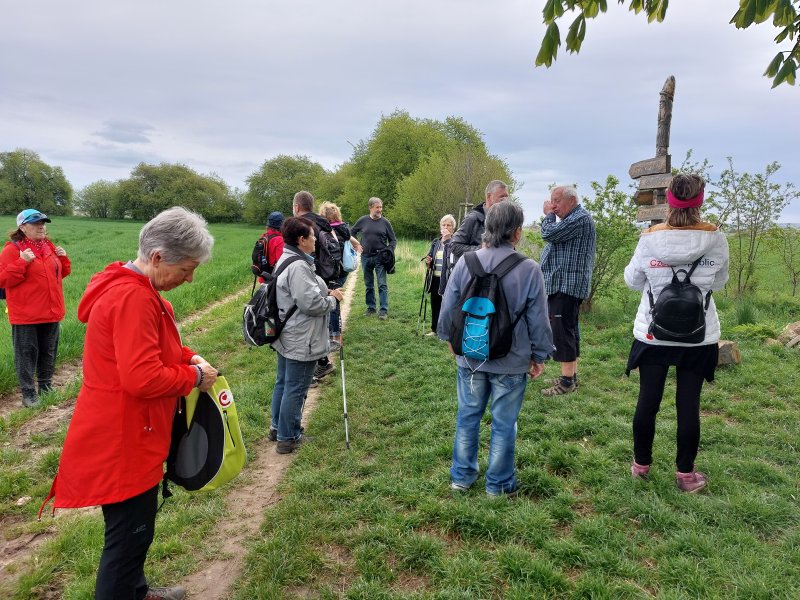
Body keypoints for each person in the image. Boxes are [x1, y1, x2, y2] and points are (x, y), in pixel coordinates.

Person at [44, 207, 217, 600]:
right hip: (124, 439)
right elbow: (142, 378)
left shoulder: (135, 289)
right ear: (157, 257)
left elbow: (157, 349)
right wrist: (193, 378)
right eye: (187, 269)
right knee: (126, 540)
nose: (189, 278)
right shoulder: (131, 298)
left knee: (136, 532)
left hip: (132, 431)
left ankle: (136, 591)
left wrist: (188, 356)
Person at [437, 202, 553, 497]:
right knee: (504, 423)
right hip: (511, 360)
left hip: (470, 354)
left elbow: (449, 306)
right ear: (516, 233)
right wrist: (539, 355)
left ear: (487, 229)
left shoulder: (466, 262)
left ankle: (461, 478)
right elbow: (538, 319)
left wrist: (451, 340)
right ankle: (498, 485)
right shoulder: (529, 269)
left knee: (467, 417)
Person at [624, 174, 729, 493]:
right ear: (700, 200)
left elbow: (632, 281)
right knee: (688, 404)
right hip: (698, 335)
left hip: (654, 333)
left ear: (669, 200)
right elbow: (718, 283)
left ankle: (641, 466)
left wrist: (656, 282)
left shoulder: (650, 238)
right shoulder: (716, 239)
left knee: (648, 400)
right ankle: (685, 475)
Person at [269, 217, 344, 454]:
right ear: (302, 240)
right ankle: (288, 436)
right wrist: (332, 299)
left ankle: (277, 428)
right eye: (312, 236)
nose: (315, 240)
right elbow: (311, 303)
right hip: (302, 337)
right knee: (296, 387)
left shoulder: (287, 257)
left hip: (288, 334)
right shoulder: (299, 266)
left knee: (284, 382)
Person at [0, 209, 71, 408]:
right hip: (26, 315)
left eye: (43, 223)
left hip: (51, 311)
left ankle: (46, 387)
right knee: (26, 354)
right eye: (35, 223)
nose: (41, 226)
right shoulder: (12, 250)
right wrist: (22, 262)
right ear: (22, 227)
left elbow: (58, 275)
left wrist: (63, 260)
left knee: (48, 351)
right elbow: (3, 279)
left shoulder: (48, 246)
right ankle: (28, 393)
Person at [539, 185, 596, 396]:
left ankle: (566, 383)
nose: (552, 205)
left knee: (563, 333)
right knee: (567, 330)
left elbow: (548, 233)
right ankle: (570, 376)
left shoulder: (579, 218)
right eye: (551, 201)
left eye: (556, 201)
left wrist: (548, 216)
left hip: (568, 286)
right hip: (562, 285)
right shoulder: (573, 219)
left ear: (571, 200)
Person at [351, 197, 396, 319]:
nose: (380, 210)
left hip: (380, 257)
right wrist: (357, 245)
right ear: (370, 208)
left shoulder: (385, 222)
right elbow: (351, 233)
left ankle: (383, 311)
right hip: (365, 257)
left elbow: (393, 240)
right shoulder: (363, 220)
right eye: (377, 207)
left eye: (381, 207)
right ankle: (371, 308)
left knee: (382, 284)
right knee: (368, 284)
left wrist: (389, 251)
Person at [318, 201, 354, 351]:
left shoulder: (324, 231)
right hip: (342, 271)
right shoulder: (344, 229)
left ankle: (333, 335)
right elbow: (350, 239)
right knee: (335, 299)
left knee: (331, 300)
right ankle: (334, 333)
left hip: (329, 272)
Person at [449, 180, 509, 264]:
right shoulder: (473, 218)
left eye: (507, 196)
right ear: (489, 196)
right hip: (474, 274)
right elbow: (454, 246)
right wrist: (481, 249)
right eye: (501, 196)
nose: (505, 200)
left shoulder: (506, 221)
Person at [423, 214, 456, 336]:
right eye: (444, 224)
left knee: (447, 306)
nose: (446, 227)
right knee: (435, 304)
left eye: (449, 225)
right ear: (440, 227)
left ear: (453, 228)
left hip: (448, 279)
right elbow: (430, 258)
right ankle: (435, 330)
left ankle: (448, 331)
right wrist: (428, 261)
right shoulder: (436, 242)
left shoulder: (455, 242)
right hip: (435, 279)